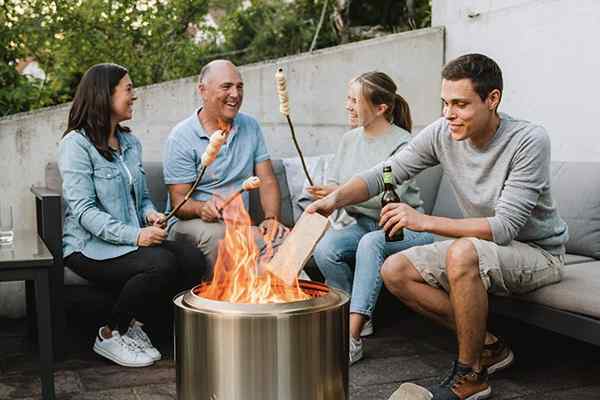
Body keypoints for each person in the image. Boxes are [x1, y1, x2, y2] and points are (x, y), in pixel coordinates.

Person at [308, 54, 568, 399]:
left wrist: (422, 220)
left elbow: (505, 227)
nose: (449, 114)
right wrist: (334, 200)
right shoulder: (443, 132)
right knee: (395, 269)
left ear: (493, 100)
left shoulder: (528, 140)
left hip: (536, 252)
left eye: (460, 104)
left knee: (462, 252)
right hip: (482, 246)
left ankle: (471, 374)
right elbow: (385, 172)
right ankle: (490, 346)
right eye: (445, 103)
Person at [59, 63, 209, 368]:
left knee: (192, 257)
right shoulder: (75, 145)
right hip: (88, 247)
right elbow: (85, 212)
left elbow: (140, 199)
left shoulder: (129, 143)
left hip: (127, 240)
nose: (134, 96)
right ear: (104, 94)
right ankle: (110, 333)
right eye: (128, 89)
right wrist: (136, 235)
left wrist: (151, 214)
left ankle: (136, 326)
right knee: (161, 263)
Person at [308, 72, 433, 365]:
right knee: (326, 249)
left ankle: (351, 339)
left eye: (354, 100)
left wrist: (339, 191)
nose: (347, 106)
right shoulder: (348, 140)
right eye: (347, 99)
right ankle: (356, 313)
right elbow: (337, 182)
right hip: (363, 225)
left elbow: (385, 197)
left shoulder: (403, 144)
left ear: (380, 108)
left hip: (402, 228)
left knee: (369, 245)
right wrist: (329, 193)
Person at [163, 60, 288, 265]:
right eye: (226, 86)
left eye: (239, 87)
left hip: (238, 224)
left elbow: (266, 180)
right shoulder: (181, 137)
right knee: (220, 235)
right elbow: (179, 201)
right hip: (190, 223)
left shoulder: (251, 126)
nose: (235, 94)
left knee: (285, 239)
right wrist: (200, 208)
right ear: (203, 90)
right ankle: (218, 296)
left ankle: (272, 294)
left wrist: (271, 218)